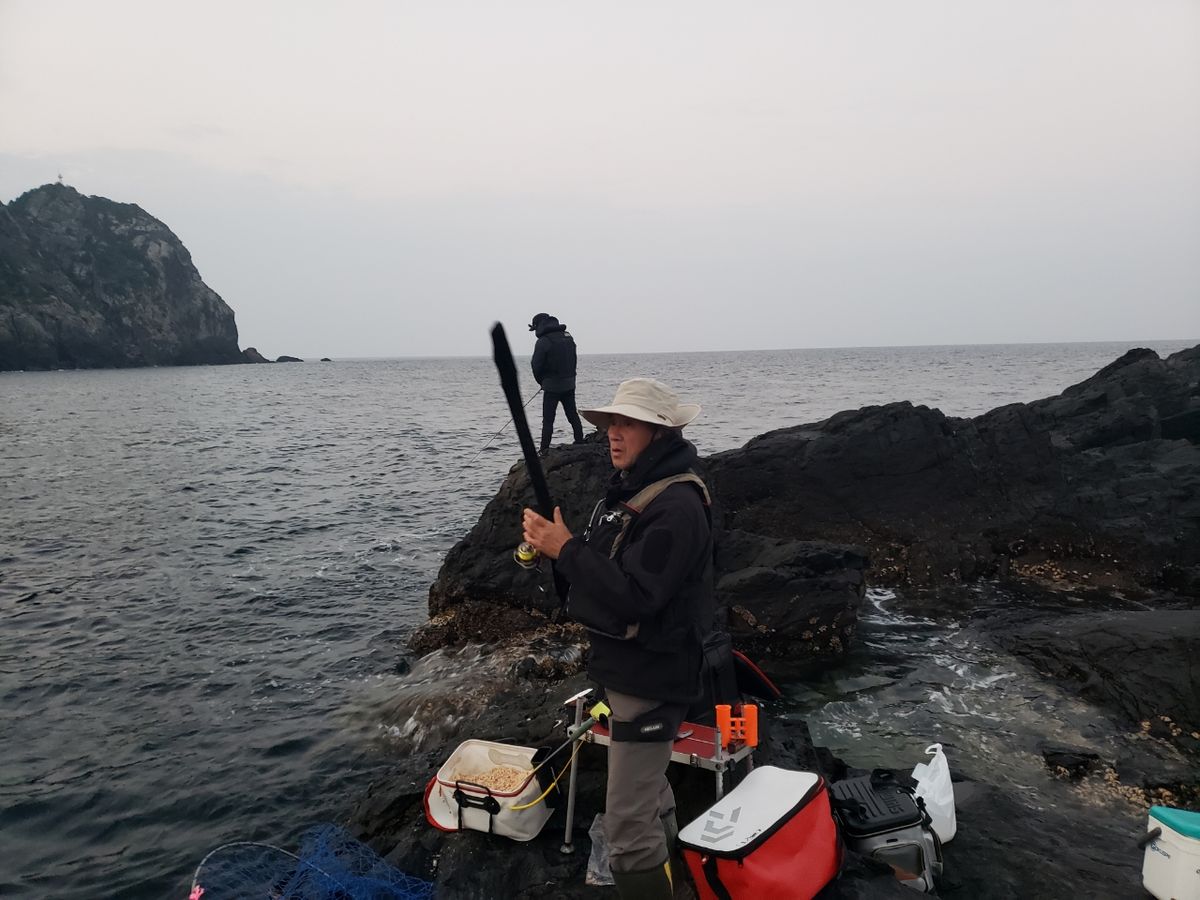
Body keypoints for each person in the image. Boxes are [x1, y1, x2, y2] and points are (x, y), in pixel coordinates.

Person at [522, 378, 713, 900]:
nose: (612, 433)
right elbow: (602, 578)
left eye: (626, 423)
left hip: (651, 679)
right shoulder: (630, 490)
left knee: (627, 835)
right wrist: (558, 551)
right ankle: (672, 866)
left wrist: (567, 550)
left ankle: (653, 877)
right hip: (626, 670)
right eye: (610, 423)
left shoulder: (676, 505)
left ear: (658, 431)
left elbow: (637, 598)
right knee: (649, 794)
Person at [529, 312, 585, 452]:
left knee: (548, 421)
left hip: (552, 387)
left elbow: (536, 366)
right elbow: (573, 360)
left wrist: (542, 382)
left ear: (539, 326)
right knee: (572, 414)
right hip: (570, 383)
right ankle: (580, 441)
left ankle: (544, 450)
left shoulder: (543, 341)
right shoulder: (568, 336)